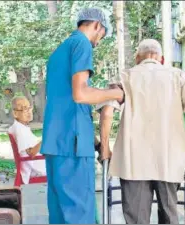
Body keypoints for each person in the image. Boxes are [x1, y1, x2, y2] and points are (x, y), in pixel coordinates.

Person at [97, 39, 185, 224]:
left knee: (137, 219)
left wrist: (105, 147)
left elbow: (107, 112)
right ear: (162, 59)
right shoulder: (178, 76)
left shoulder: (125, 76)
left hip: (133, 162)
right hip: (169, 160)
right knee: (169, 215)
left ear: (137, 58)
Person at [40, 8, 124, 224]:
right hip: (73, 146)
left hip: (57, 143)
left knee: (60, 215)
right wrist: (117, 94)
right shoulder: (82, 44)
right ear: (97, 25)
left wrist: (96, 142)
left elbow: (68, 98)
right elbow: (81, 94)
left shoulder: (61, 50)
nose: (99, 42)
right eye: (102, 35)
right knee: (79, 216)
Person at [8, 96, 46, 184]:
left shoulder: (21, 127)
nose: (29, 112)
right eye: (24, 109)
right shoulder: (19, 129)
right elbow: (31, 153)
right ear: (15, 113)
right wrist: (46, 138)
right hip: (36, 168)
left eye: (29, 107)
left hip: (38, 163)